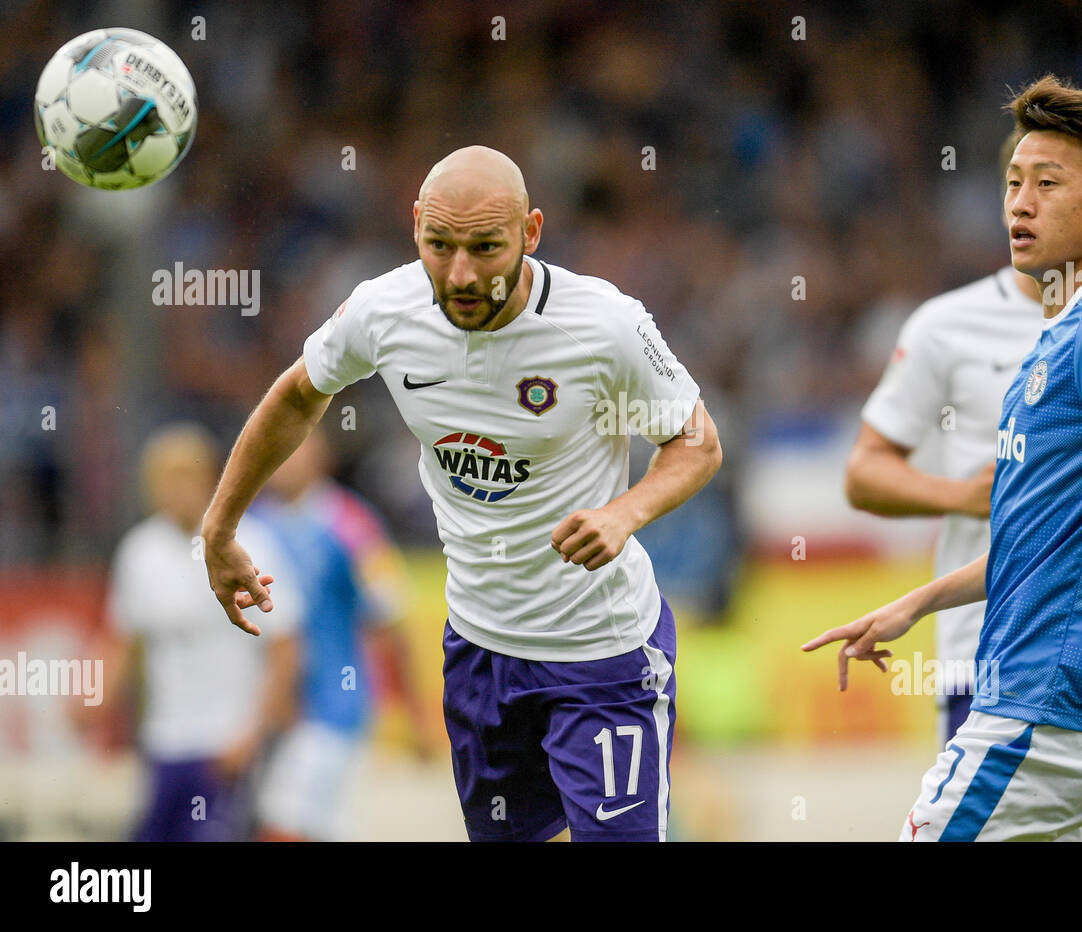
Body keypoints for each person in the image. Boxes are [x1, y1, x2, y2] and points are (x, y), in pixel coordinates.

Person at [201, 146, 722, 843]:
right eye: (439, 245)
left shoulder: (604, 324)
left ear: (531, 233)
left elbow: (697, 441)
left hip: (602, 652)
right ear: (415, 224)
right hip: (481, 652)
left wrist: (624, 513)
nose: (461, 273)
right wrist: (220, 527)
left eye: (486, 247)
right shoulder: (383, 309)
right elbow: (298, 396)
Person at [804, 74, 1082, 841]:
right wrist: (917, 602)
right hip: (1072, 719)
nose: (1020, 203)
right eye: (1013, 182)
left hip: (1039, 715)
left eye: (1048, 184)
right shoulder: (1061, 339)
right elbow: (1043, 542)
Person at [97, 423, 302, 841]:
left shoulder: (250, 544)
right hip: (165, 742)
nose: (175, 490)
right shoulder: (139, 551)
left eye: (184, 477)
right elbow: (122, 643)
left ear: (211, 479)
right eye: (164, 479)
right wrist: (92, 702)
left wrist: (254, 733)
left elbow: (286, 646)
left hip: (226, 743)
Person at [252, 429, 433, 841]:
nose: (285, 462)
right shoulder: (253, 524)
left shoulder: (354, 526)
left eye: (296, 452)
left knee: (285, 825)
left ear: (322, 460)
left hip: (333, 704)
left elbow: (388, 622)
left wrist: (416, 716)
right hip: (263, 709)